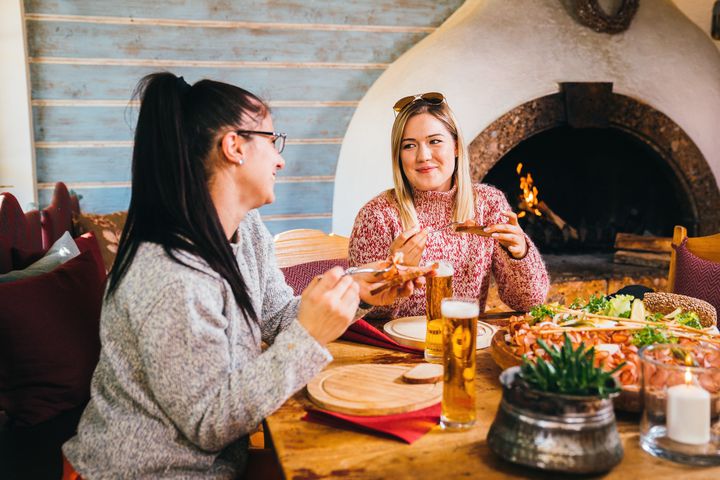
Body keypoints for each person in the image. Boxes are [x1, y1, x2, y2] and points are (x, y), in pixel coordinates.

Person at [62, 73, 419, 479]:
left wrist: (358, 293)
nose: (280, 159)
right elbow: (210, 422)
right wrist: (310, 336)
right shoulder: (168, 273)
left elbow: (278, 315)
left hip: (220, 464)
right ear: (234, 146)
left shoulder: (245, 229)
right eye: (272, 140)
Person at [349, 92, 549, 319]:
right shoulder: (376, 216)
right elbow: (363, 320)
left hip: (462, 342)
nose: (423, 156)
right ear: (398, 156)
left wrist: (519, 253)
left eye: (434, 141)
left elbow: (529, 301)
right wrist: (393, 276)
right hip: (392, 350)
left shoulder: (488, 204)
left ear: (455, 146)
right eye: (409, 145)